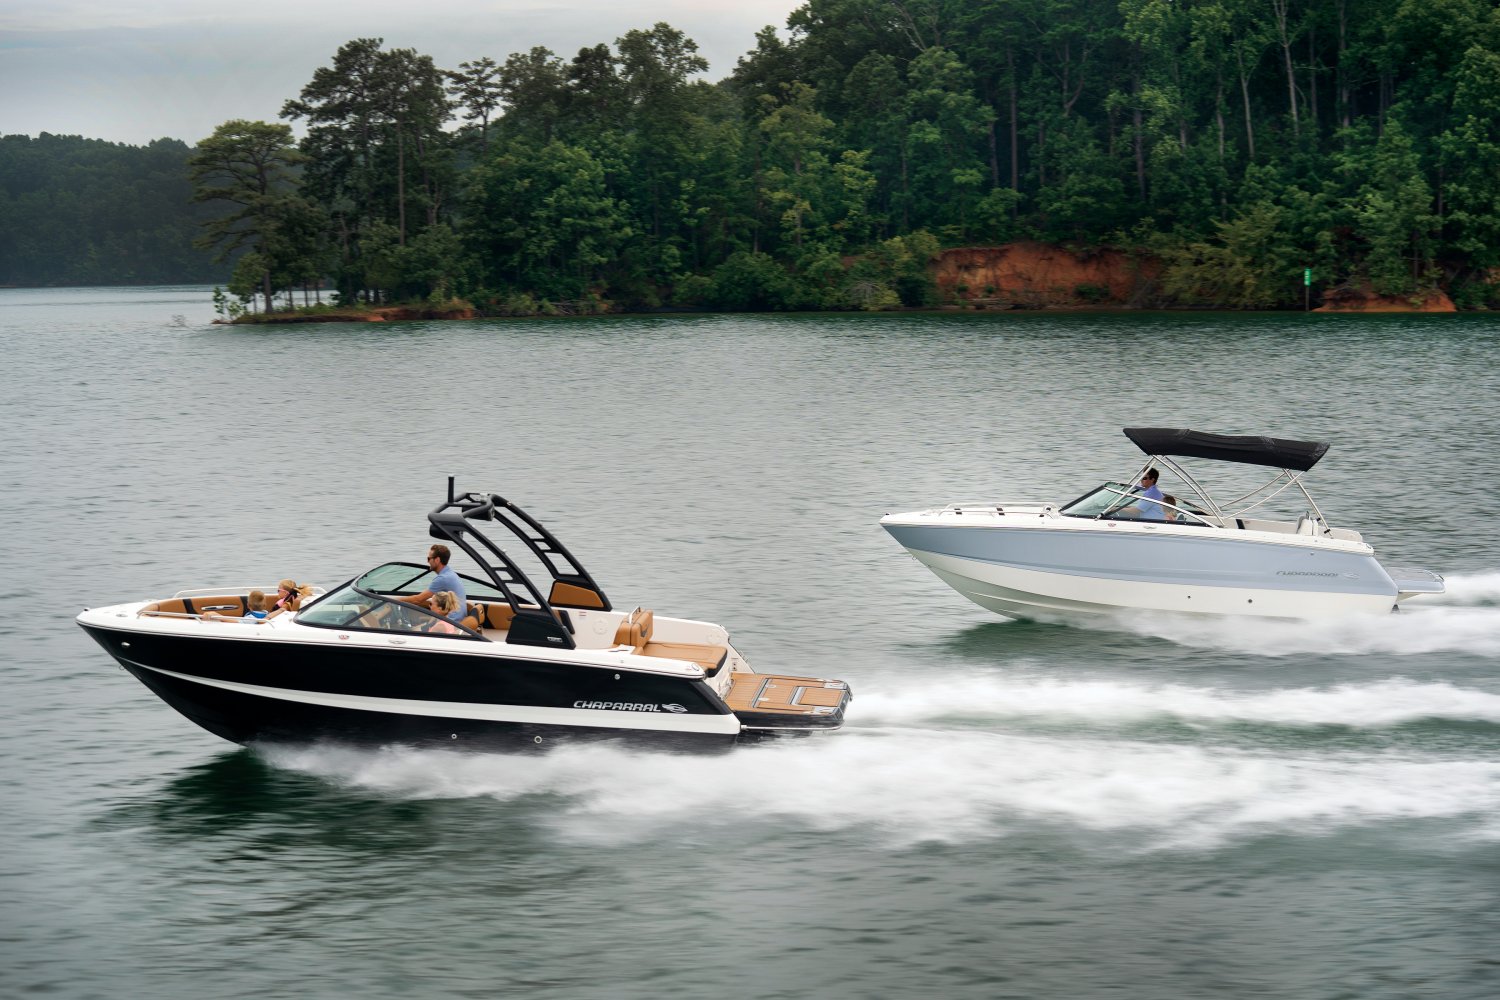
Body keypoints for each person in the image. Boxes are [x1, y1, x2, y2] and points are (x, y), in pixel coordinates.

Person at [402, 544, 467, 623]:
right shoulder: (450, 573)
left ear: (437, 560)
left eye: (429, 558)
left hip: (453, 621)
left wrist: (393, 601)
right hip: (458, 618)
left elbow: (418, 600)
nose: (428, 561)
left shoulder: (442, 578)